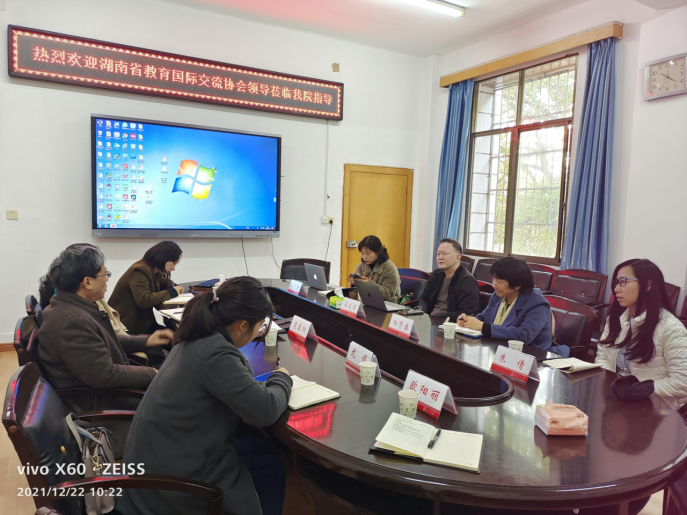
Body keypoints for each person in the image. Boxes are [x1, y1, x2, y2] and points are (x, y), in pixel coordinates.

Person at [116, 277, 293, 515]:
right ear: (243, 324)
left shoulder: (196, 335)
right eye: (260, 326)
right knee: (271, 466)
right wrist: (281, 377)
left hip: (160, 459)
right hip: (171, 481)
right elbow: (266, 410)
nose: (258, 334)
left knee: (261, 446)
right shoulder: (215, 353)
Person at [36, 244, 173, 397]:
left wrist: (146, 341)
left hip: (103, 392)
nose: (107, 279)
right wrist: (152, 373)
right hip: (102, 401)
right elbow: (105, 375)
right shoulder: (74, 322)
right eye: (105, 274)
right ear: (87, 282)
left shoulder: (66, 305)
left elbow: (100, 340)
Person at [595, 259, 687, 411]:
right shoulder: (616, 319)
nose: (616, 289)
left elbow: (682, 382)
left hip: (655, 409)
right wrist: (610, 386)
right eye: (617, 282)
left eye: (623, 282)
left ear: (647, 286)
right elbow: (603, 356)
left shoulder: (671, 328)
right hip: (616, 399)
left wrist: (638, 391)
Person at [458, 256, 568, 356]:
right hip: (499, 350)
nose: (494, 285)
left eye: (499, 281)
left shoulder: (537, 304)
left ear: (517, 285)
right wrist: (467, 320)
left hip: (530, 356)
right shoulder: (498, 296)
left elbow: (524, 335)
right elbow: (484, 317)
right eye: (493, 279)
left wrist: (483, 327)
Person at [109, 240, 184, 335]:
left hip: (144, 324)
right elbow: (144, 299)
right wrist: (173, 291)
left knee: (176, 336)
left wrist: (175, 287)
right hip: (127, 327)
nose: (173, 268)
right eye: (174, 263)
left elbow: (166, 283)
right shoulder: (140, 270)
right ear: (163, 258)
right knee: (174, 338)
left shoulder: (155, 271)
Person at [419, 238, 479, 320]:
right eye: (438, 254)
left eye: (445, 254)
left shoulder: (467, 280)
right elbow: (425, 299)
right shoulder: (436, 275)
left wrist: (436, 317)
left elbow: (467, 312)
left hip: (448, 323)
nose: (440, 257)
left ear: (458, 257)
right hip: (430, 320)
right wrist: (421, 314)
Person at [347, 235, 401, 302]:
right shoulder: (361, 266)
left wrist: (370, 286)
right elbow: (355, 293)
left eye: (368, 254)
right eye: (362, 253)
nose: (364, 257)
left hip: (387, 304)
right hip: (366, 302)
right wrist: (355, 284)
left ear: (378, 252)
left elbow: (388, 295)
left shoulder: (389, 267)